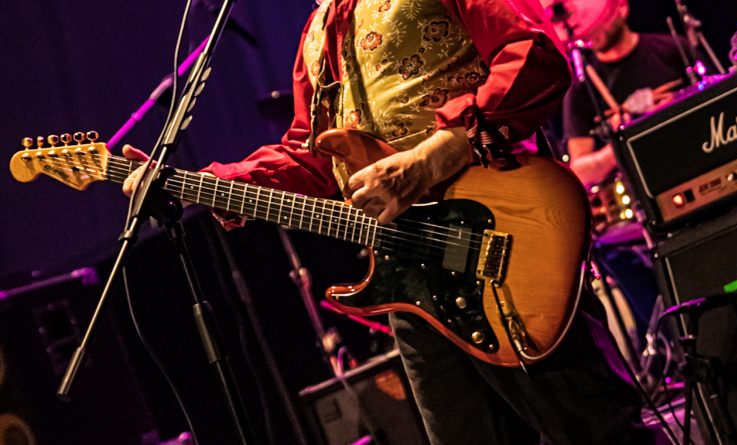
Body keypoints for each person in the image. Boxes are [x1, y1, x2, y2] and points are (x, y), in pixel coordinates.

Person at [123, 0, 666, 443]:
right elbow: (312, 154)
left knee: (594, 429)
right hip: (413, 279)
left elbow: (534, 54)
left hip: (499, 238)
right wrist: (211, 184)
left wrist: (433, 156)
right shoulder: (318, 29)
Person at [561, 0, 697, 349]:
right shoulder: (582, 90)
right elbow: (579, 169)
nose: (591, 25)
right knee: (611, 252)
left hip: (690, 179)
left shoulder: (672, 49)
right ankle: (670, 349)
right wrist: (625, 142)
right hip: (635, 212)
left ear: (619, 8)